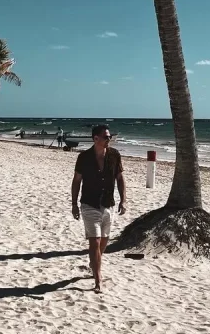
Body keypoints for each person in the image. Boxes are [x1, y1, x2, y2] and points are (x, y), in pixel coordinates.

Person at [71, 123, 126, 293]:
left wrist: (124, 200)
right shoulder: (84, 157)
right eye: (106, 137)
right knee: (94, 242)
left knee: (104, 240)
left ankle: (94, 262)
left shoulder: (114, 155)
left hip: (108, 203)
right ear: (96, 139)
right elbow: (76, 181)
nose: (109, 139)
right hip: (89, 203)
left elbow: (120, 178)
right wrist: (74, 204)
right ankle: (98, 278)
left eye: (110, 137)